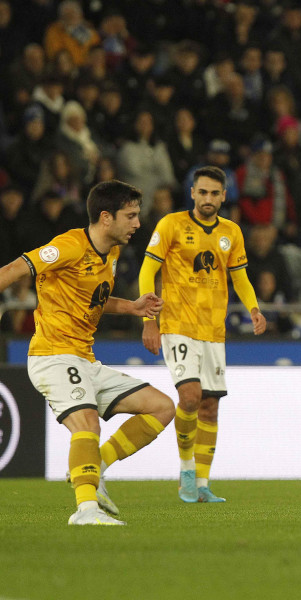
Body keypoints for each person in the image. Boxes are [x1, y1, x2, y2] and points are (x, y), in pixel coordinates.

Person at [0, 180, 175, 526]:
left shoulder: (111, 252)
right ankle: (86, 509)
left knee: (161, 407)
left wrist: (134, 307)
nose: (138, 223)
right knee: (87, 423)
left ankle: (99, 464)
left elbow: (95, 299)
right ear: (106, 217)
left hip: (84, 358)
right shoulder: (67, 246)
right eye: (131, 215)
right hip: (53, 355)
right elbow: (9, 272)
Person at [139, 166, 267, 504]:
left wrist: (253, 308)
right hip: (178, 324)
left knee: (210, 407)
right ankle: (185, 471)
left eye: (215, 193)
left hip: (214, 332)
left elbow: (239, 277)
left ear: (224, 196)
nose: (208, 199)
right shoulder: (171, 225)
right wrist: (148, 321)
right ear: (192, 193)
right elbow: (148, 270)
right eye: (203, 192)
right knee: (191, 397)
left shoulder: (231, 232)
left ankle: (203, 482)